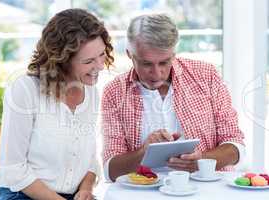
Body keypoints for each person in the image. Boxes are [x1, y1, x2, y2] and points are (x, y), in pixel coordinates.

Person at [101, 13, 245, 181]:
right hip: (144, 193)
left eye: (164, 62)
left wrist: (202, 161)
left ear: (174, 54)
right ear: (129, 55)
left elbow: (236, 146)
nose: (156, 73)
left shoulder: (206, 75)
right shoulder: (114, 92)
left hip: (205, 188)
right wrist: (143, 152)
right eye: (146, 63)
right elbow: (110, 171)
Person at [0, 8, 114, 200]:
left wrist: (86, 190)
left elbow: (89, 159)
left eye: (102, 54)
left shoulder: (91, 91)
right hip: (21, 194)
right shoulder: (25, 90)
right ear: (62, 61)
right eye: (89, 61)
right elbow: (13, 168)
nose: (101, 66)